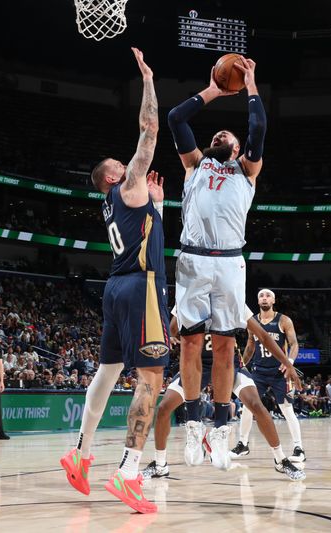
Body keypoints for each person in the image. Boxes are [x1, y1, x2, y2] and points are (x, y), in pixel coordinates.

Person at [60, 48, 170, 514]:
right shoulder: (126, 185)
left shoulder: (116, 204)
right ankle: (128, 472)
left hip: (115, 288)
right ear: (113, 175)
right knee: (151, 378)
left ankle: (80, 454)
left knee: (106, 375)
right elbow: (150, 130)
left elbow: (147, 232)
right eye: (122, 167)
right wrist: (147, 79)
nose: (131, 167)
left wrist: (159, 206)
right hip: (141, 287)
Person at [168, 55, 290, 472]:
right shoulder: (195, 163)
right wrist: (215, 91)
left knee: (224, 346)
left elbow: (258, 127)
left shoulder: (247, 170)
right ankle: (192, 423)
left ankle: (220, 427)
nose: (221, 134)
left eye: (228, 135)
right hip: (192, 260)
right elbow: (176, 118)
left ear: (238, 149)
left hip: (228, 263)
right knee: (189, 343)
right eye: (217, 133)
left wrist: (251, 83)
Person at [141, 307, 303, 481]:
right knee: (164, 407)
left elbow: (263, 336)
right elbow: (172, 329)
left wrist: (288, 363)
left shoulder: (230, 296)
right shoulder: (191, 296)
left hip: (229, 364)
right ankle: (160, 465)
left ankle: (280, 460)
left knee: (256, 405)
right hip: (197, 365)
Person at [233, 289, 305, 463]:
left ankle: (298, 449)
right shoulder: (253, 321)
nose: (264, 298)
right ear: (258, 302)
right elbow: (250, 346)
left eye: (268, 296)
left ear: (274, 300)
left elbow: (294, 344)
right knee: (248, 406)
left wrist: (289, 362)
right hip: (259, 371)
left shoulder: (283, 320)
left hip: (280, 372)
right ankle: (243, 444)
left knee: (287, 409)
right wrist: (241, 365)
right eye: (261, 296)